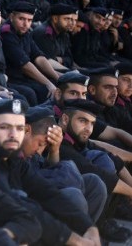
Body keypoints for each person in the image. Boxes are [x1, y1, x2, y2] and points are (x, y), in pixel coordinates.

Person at [0, 99, 101, 245]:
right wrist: (73, 239)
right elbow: (19, 205)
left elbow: (47, 192)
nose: (14, 135)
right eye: (4, 127)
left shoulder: (13, 159)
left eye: (19, 128)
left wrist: (89, 226)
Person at [58, 99, 132, 242]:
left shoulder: (77, 138)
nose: (88, 128)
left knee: (105, 159)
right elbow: (92, 170)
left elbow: (114, 159)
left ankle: (97, 230)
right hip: (54, 202)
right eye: (82, 121)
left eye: (91, 123)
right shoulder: (58, 140)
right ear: (65, 119)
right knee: (96, 179)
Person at [0, 1, 61, 103]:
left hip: (23, 77)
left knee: (55, 82)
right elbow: (25, 65)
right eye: (21, 19)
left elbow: (38, 57)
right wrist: (48, 83)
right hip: (11, 78)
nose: (26, 24)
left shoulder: (25, 32)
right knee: (35, 91)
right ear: (11, 17)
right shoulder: (6, 33)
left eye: (29, 20)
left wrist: (57, 77)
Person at [32, 3, 77, 71]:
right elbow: (48, 62)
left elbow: (70, 59)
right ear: (55, 19)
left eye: (70, 19)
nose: (70, 23)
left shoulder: (64, 34)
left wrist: (60, 59)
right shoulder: (44, 33)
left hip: (62, 70)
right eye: (66, 19)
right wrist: (62, 61)